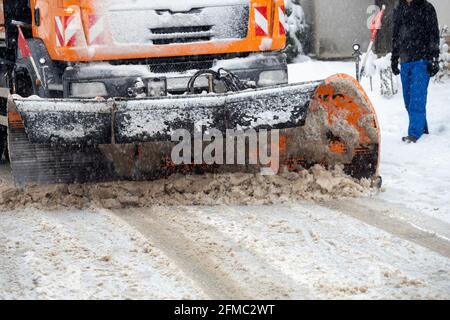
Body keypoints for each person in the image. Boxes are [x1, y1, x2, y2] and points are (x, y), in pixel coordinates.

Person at [391, 0, 440, 143]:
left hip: (422, 60)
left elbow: (433, 35)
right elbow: (396, 36)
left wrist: (434, 59)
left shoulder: (427, 8)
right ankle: (422, 129)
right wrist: (394, 58)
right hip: (405, 61)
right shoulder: (399, 8)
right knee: (408, 100)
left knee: (417, 99)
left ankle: (414, 134)